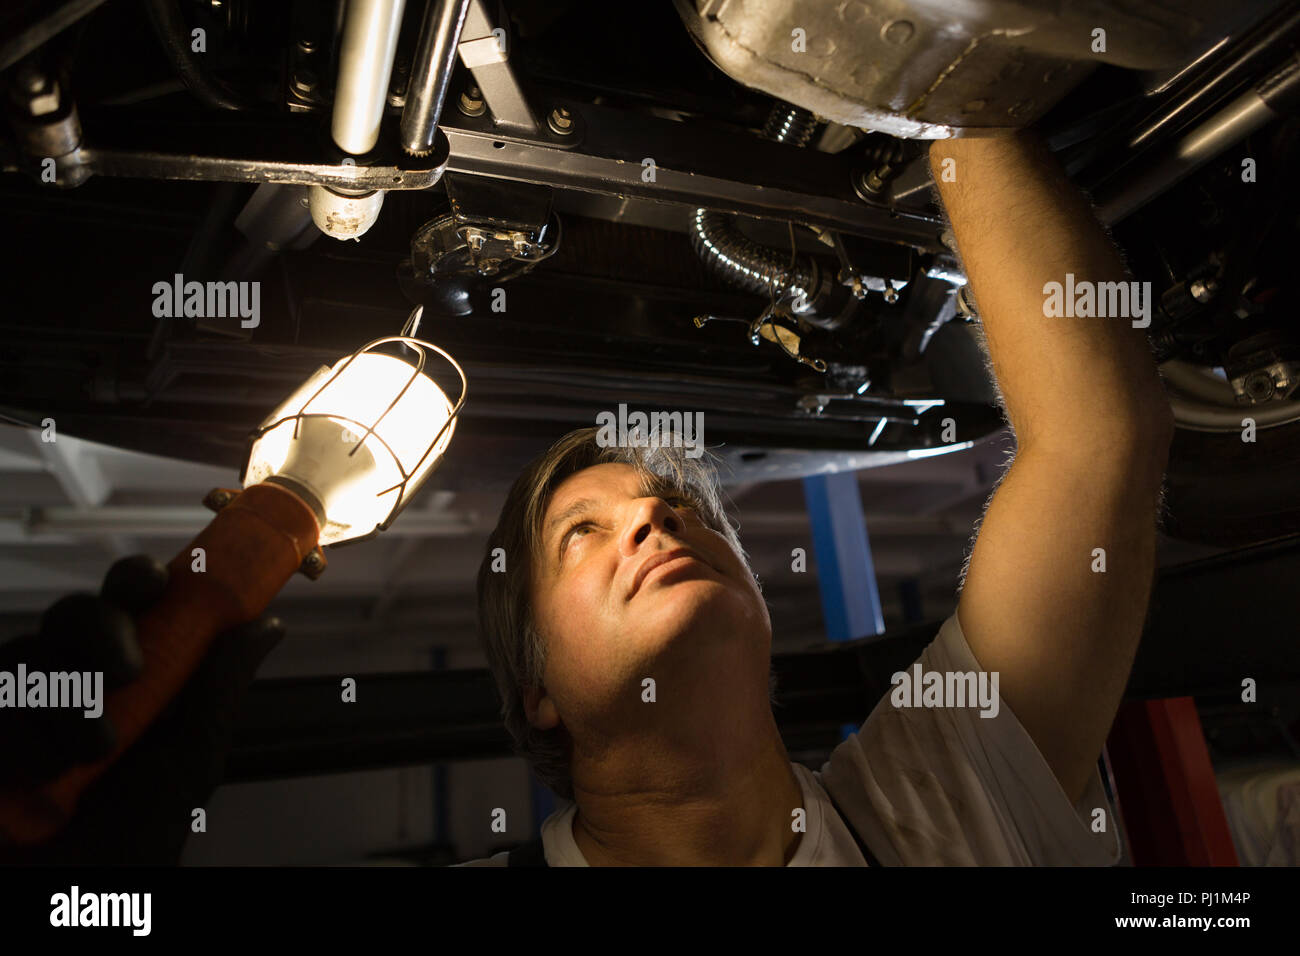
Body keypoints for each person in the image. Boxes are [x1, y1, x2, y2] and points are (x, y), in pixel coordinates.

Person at [460, 131, 1173, 866]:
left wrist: (952, 99)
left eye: (684, 508)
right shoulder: (944, 839)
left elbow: (1095, 437)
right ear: (536, 687)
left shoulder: (939, 789)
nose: (654, 515)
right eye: (581, 532)